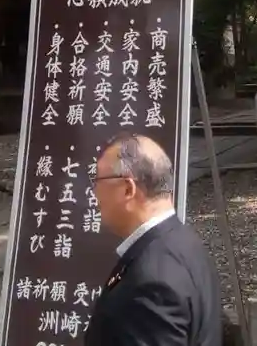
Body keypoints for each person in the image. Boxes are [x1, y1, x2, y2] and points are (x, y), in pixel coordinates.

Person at [83, 132, 222, 346]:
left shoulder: (151, 283)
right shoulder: (185, 243)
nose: (94, 193)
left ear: (128, 188)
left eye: (98, 181)